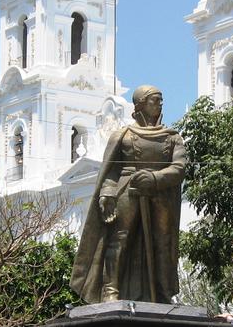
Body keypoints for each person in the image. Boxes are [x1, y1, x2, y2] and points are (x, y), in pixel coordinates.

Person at [71, 85, 186, 303]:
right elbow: (111, 170)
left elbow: (179, 168)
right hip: (127, 190)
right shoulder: (123, 135)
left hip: (160, 195)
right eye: (155, 100)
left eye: (161, 100)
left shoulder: (172, 138)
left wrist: (154, 178)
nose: (160, 104)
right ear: (141, 104)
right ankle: (110, 290)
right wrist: (107, 193)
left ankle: (163, 292)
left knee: (162, 243)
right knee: (119, 240)